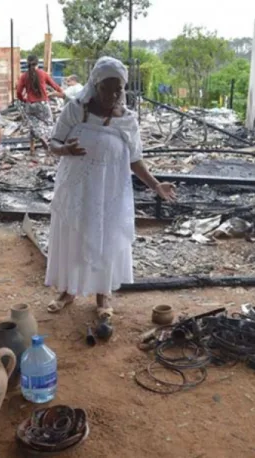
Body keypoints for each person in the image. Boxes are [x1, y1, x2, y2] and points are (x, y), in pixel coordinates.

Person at [45, 57, 176, 316]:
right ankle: (69, 290)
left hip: (111, 191)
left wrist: (156, 185)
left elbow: (135, 159)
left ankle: (103, 295)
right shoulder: (76, 109)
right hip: (78, 189)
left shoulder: (127, 120)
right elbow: (53, 143)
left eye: (119, 89)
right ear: (95, 85)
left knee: (107, 236)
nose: (114, 94)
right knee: (76, 235)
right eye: (108, 88)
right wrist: (65, 150)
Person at [16, 55, 64, 150]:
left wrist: (23, 100)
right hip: (43, 104)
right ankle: (48, 142)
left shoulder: (24, 76)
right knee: (49, 124)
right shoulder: (43, 74)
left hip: (30, 104)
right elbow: (54, 85)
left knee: (33, 125)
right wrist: (62, 92)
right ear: (38, 63)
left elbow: (18, 91)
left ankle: (32, 147)